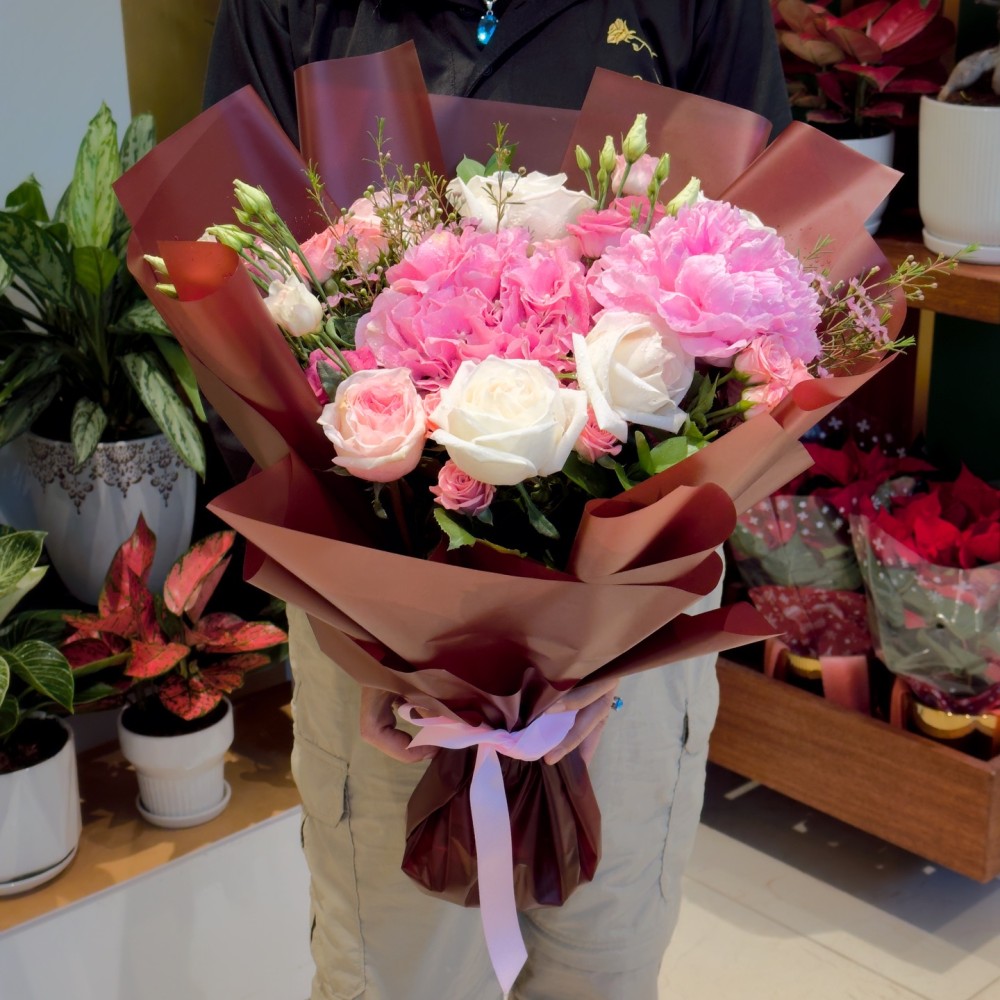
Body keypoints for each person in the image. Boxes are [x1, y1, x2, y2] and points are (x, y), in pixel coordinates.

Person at [203, 5, 791, 999]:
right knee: (395, 978)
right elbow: (235, 309)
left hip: (631, 637)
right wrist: (373, 641)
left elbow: (762, 269)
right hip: (378, 649)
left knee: (601, 972)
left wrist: (608, 645)